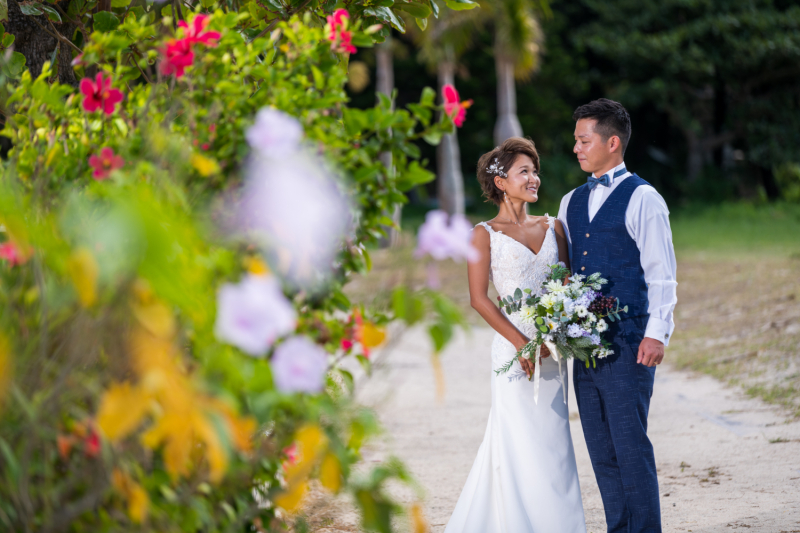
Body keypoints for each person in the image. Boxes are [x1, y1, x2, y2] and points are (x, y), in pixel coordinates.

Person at [444, 137, 587, 533]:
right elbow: (479, 298)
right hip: (513, 352)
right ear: (501, 182)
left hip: (554, 351)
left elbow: (570, 288)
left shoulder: (554, 226)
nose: (534, 177)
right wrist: (520, 341)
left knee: (554, 441)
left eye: (535, 170)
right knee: (518, 440)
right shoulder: (483, 234)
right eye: (524, 171)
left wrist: (561, 331)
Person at [558, 98, 678, 533]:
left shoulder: (644, 198)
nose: (576, 148)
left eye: (583, 139)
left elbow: (661, 274)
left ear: (612, 142)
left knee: (630, 446)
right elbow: (565, 273)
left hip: (629, 343)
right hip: (583, 346)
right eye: (575, 140)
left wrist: (657, 334)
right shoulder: (570, 201)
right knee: (601, 448)